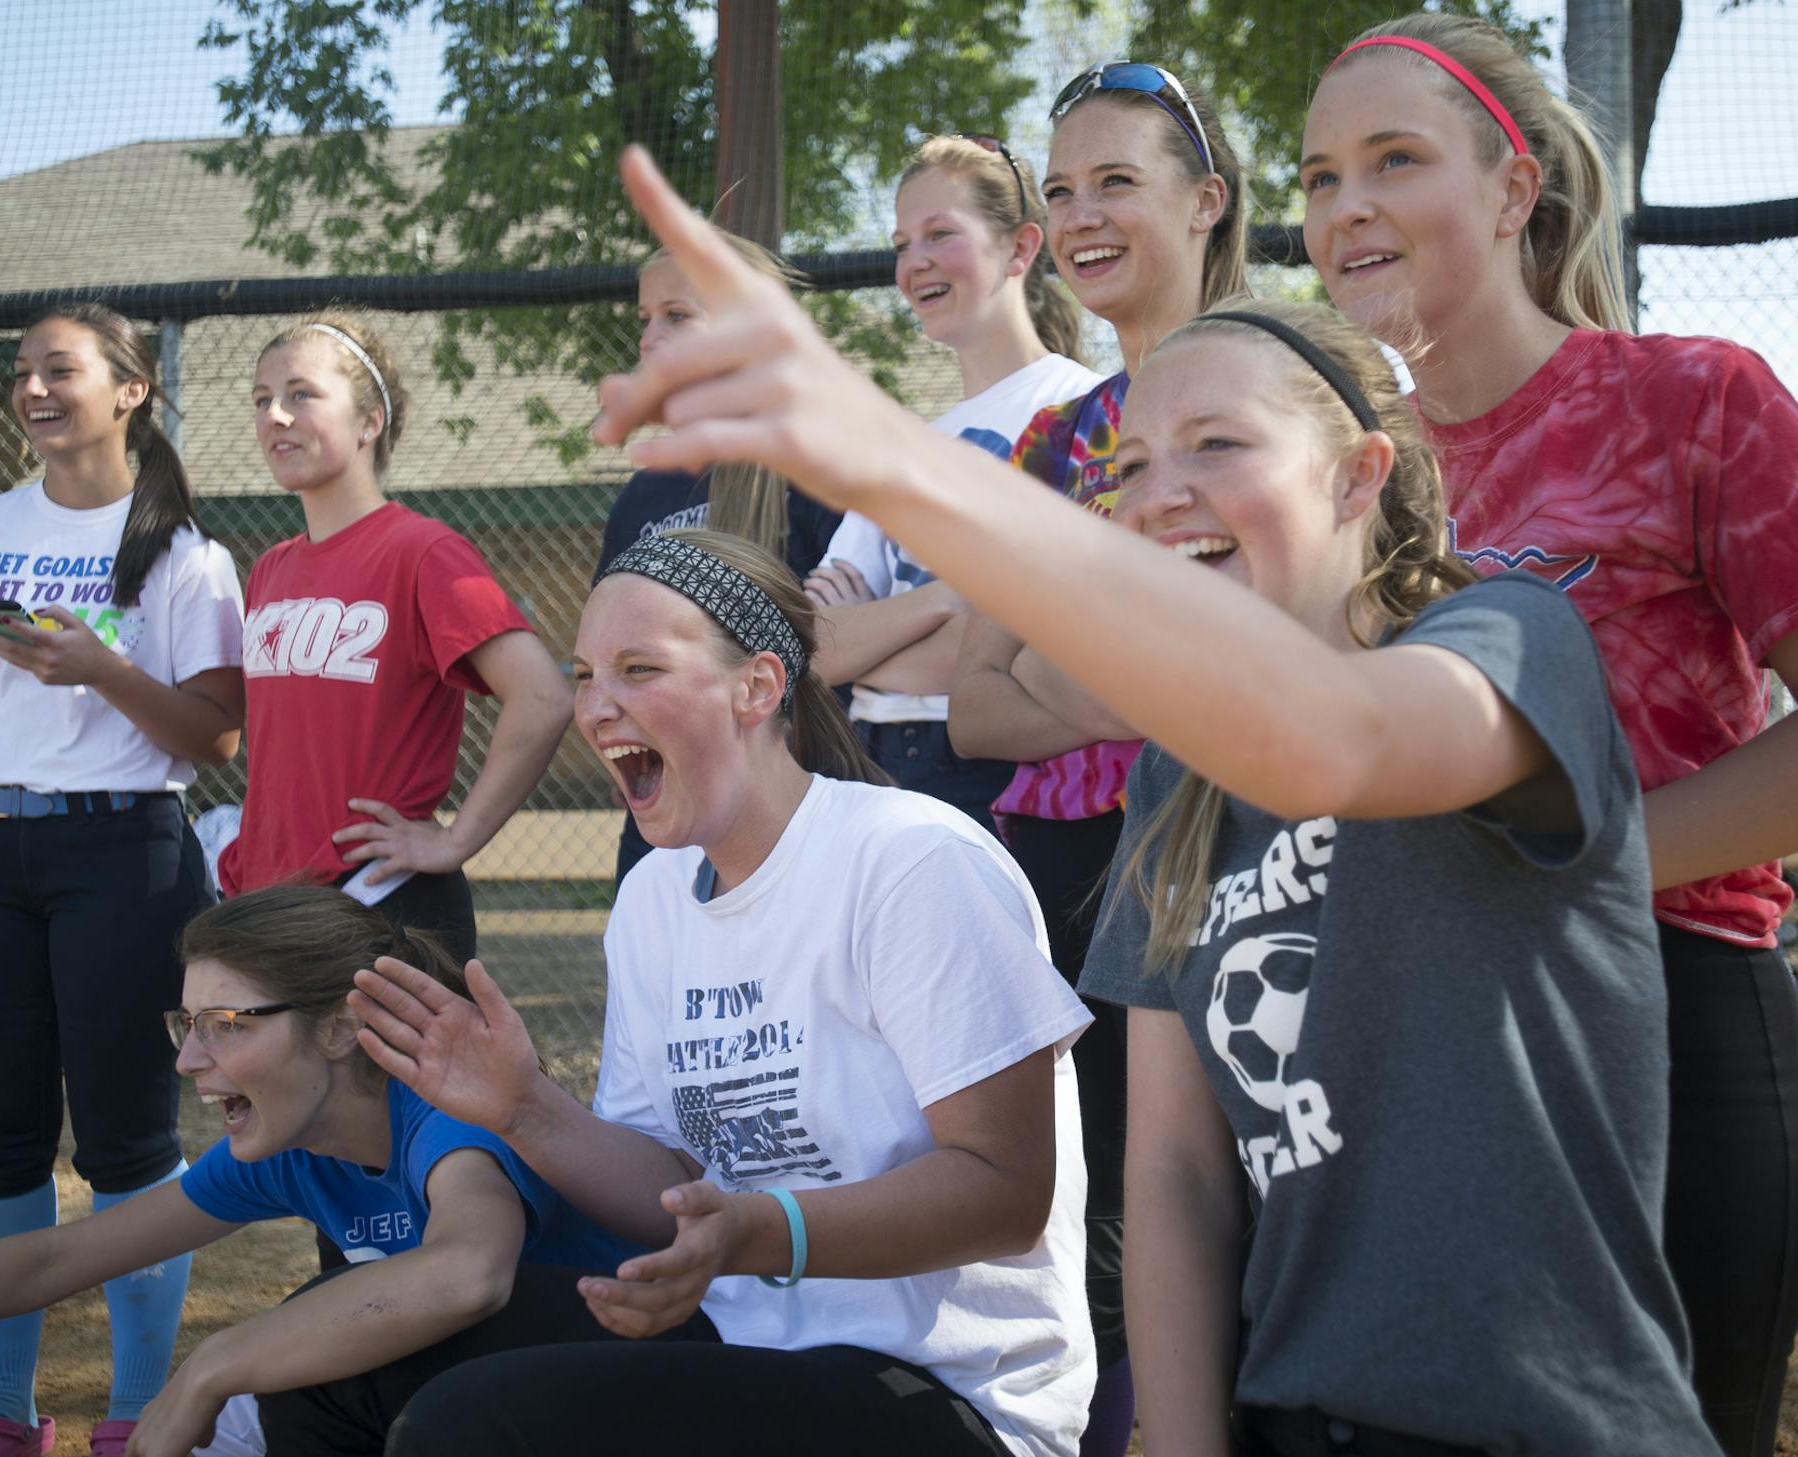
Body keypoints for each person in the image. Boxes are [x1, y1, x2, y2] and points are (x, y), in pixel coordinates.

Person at [586, 159, 1721, 1456]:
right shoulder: (1178, 772)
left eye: (1219, 445)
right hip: (1297, 1410)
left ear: (1359, 476)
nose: (1160, 489)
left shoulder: (1515, 643)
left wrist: (892, 460)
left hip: (1541, 1420)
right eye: (1129, 465)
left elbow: (1332, 743)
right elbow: (1176, 1175)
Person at [1301, 18, 1798, 1453]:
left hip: (1671, 1032)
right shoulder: (1332, 479)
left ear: (1516, 189)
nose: (1347, 206)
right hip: (1417, 1063)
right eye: (1323, 173)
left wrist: (1579, 877)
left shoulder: (1689, 398)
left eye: (1395, 159)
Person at [348, 529, 1097, 1457]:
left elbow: (1004, 1191)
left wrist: (754, 1230)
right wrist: (524, 1107)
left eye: (638, 667)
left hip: (948, 1390)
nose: (596, 706)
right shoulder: (653, 899)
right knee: (355, 1364)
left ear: (758, 687)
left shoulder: (909, 861)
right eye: (583, 675)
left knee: (471, 1425)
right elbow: (674, 1182)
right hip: (747, 1339)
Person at [0, 886, 641, 1457]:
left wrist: (214, 1361)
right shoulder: (294, 1147)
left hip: (637, 1392)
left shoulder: (441, 1111)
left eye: (226, 1022)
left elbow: (470, 1271)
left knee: (293, 1360)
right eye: (185, 1023)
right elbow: (52, 1261)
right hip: (508, 1408)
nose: (190, 1057)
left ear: (340, 1027)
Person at [0, 302, 246, 1457]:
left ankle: (137, 1411)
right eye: (21, 372)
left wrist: (98, 664)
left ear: (130, 390)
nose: (34, 388)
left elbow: (213, 735)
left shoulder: (188, 553)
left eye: (60, 369)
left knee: (129, 1143)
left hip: (124, 857)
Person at [939, 65, 1247, 1451]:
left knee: (1270, 1192)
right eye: (1060, 191)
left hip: (1251, 840)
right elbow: (973, 714)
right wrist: (1154, 666)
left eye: (1116, 180)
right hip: (1070, 866)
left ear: (1208, 198)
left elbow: (1281, 666)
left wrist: (1072, 663)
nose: (1081, 214)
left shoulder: (1287, 389)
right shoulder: (1058, 438)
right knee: (1126, 1213)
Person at [215, 312, 573, 965]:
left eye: (302, 394)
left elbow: (543, 696)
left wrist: (455, 839)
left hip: (377, 904)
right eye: (262, 400)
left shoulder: (423, 551)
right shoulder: (270, 567)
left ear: (370, 420)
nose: (276, 416)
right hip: (271, 902)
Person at [801, 134, 1098, 834]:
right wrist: (954, 596)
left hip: (999, 772)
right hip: (871, 766)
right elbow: (817, 646)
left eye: (941, 234)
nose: (915, 262)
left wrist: (874, 647)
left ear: (1021, 249)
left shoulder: (1084, 410)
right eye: (903, 242)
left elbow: (1043, 645)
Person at [595, 239, 844, 882]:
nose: (650, 337)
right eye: (645, 319)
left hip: (792, 812)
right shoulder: (644, 493)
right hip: (667, 822)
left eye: (677, 315)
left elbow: (839, 640)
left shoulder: (815, 467)